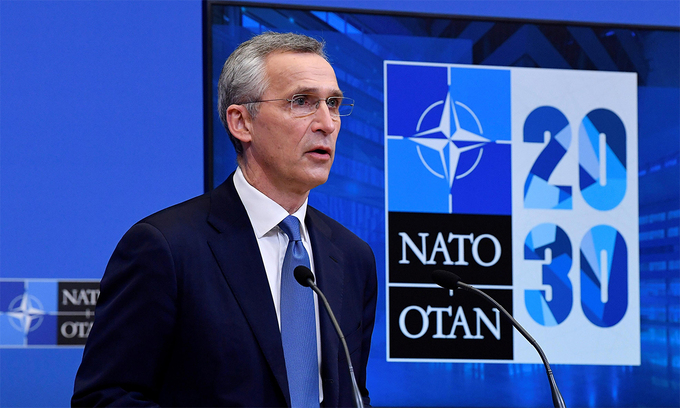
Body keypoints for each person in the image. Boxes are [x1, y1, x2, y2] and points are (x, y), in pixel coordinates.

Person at [72, 32, 377, 407]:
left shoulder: (351, 256)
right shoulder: (166, 247)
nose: (327, 123)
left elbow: (353, 394)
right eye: (302, 101)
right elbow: (105, 397)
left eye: (333, 104)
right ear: (241, 122)